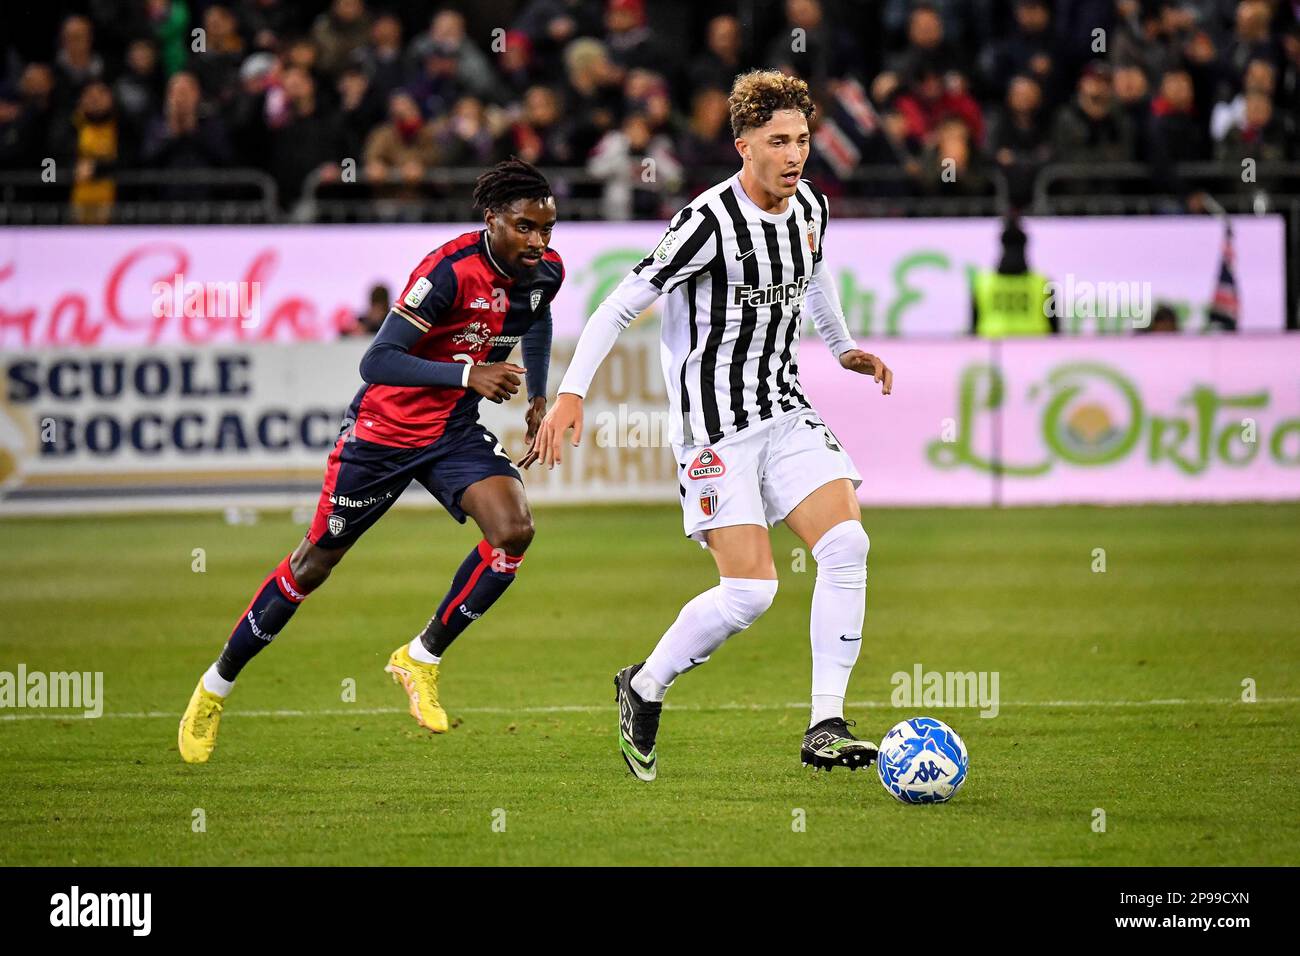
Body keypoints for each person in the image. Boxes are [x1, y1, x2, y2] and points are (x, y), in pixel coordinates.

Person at [533, 70, 893, 782]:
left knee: (848, 542)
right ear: (743, 146)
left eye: (802, 140)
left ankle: (825, 723)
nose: (795, 155)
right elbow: (614, 307)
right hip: (715, 429)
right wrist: (571, 392)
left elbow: (814, 274)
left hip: (784, 408)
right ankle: (644, 685)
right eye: (779, 142)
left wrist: (843, 345)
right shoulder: (707, 222)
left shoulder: (811, 206)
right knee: (752, 593)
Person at [178, 159, 563, 763]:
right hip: (383, 434)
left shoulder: (543, 270)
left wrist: (540, 397)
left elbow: (534, 318)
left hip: (452, 430)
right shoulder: (446, 272)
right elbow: (377, 360)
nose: (538, 242)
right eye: (525, 228)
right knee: (311, 565)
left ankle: (421, 657)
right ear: (492, 220)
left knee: (514, 531)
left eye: (547, 229)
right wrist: (469, 372)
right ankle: (214, 687)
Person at [970, 216, 1055, 336]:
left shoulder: (982, 283)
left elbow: (972, 330)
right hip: (1036, 349)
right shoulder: (1043, 283)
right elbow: (1056, 334)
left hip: (992, 349)